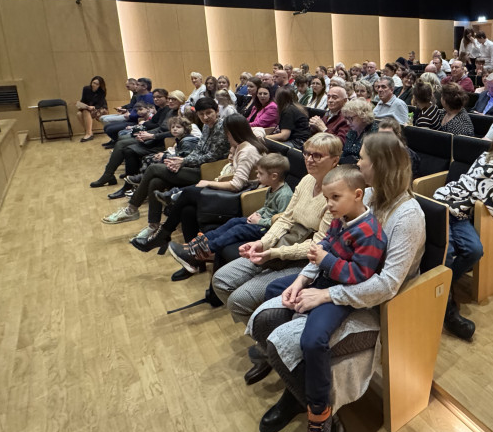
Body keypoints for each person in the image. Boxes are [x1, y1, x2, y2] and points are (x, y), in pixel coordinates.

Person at [246, 131, 424, 432]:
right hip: (341, 286)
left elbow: (387, 285)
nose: (358, 162)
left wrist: (327, 296)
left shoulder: (408, 216)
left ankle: (325, 428)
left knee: (298, 342)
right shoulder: (366, 195)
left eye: (364, 159)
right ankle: (296, 394)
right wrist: (303, 280)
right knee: (268, 318)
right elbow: (329, 244)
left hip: (379, 307)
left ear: (381, 166)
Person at [258, 165, 386, 432]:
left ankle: (319, 412)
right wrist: (300, 281)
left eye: (335, 197)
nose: (329, 205)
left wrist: (322, 269)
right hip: (323, 279)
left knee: (313, 340)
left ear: (358, 195)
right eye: (327, 198)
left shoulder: (370, 232)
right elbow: (323, 248)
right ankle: (293, 389)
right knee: (274, 290)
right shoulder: (341, 219)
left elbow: (359, 277)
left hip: (339, 293)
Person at [212, 132, 342, 383]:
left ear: (335, 161)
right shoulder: (305, 181)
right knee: (222, 280)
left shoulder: (335, 193)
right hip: (283, 247)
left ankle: (269, 347)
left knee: (238, 300)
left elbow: (317, 246)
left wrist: (274, 252)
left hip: (306, 262)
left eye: (318, 155)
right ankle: (266, 341)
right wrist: (262, 242)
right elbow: (286, 219)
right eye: (307, 154)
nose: (310, 159)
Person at [433, 134, 493, 340]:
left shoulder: (489, 157)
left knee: (475, 250)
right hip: (446, 210)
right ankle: (446, 307)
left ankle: (448, 283)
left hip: (460, 213)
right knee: (447, 253)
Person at [133, 114, 267, 257]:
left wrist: (209, 182)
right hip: (237, 192)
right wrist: (232, 153)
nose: (225, 137)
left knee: (190, 193)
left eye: (226, 133)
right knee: (187, 210)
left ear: (232, 132)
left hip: (243, 198)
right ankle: (192, 257)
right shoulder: (241, 145)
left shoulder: (247, 151)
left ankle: (163, 234)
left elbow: (236, 184)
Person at [102, 97, 227, 226]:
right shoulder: (207, 127)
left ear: (216, 111)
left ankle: (131, 209)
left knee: (154, 168)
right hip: (196, 165)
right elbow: (198, 150)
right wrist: (181, 160)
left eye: (209, 113)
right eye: (201, 114)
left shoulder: (222, 127)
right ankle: (153, 225)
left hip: (210, 172)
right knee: (156, 182)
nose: (205, 117)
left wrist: (183, 161)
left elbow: (212, 157)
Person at [164, 152, 294, 271]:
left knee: (238, 230)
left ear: (274, 176)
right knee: (234, 221)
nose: (257, 175)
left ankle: (201, 252)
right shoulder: (271, 188)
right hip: (260, 221)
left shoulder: (284, 195)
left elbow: (280, 221)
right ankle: (196, 245)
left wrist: (260, 220)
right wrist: (257, 213)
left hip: (268, 230)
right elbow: (267, 207)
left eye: (260, 173)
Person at [339, 98, 376, 164]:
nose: (347, 123)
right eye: (346, 119)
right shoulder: (352, 131)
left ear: (362, 115)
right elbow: (344, 153)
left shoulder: (374, 134)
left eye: (350, 118)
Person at [76, 76, 108, 142]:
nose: (94, 85)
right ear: (91, 82)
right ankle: (89, 132)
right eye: (93, 83)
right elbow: (83, 100)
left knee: (85, 111)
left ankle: (88, 134)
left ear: (100, 85)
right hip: (89, 108)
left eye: (97, 84)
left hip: (101, 108)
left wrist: (93, 107)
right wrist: (80, 105)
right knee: (79, 114)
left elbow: (100, 104)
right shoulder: (86, 89)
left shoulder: (102, 91)